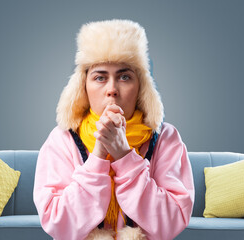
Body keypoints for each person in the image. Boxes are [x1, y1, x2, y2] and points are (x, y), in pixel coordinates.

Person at [33, 19, 194, 240]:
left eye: (125, 77)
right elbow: (59, 225)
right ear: (83, 86)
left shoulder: (166, 138)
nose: (112, 90)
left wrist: (124, 156)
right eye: (100, 77)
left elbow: (172, 222)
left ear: (141, 87)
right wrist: (99, 154)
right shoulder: (61, 140)